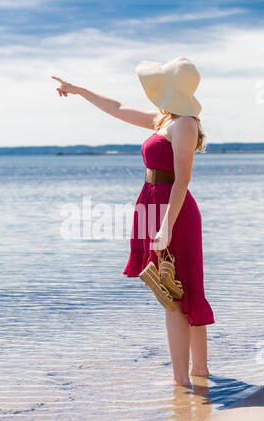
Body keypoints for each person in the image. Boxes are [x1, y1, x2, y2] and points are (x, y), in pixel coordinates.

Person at [52, 56, 215, 387]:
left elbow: (182, 179)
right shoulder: (164, 120)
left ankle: (181, 383)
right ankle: (198, 372)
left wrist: (166, 225)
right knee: (173, 288)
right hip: (153, 204)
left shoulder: (184, 124)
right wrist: (82, 91)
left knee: (175, 293)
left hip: (173, 209)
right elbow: (118, 108)